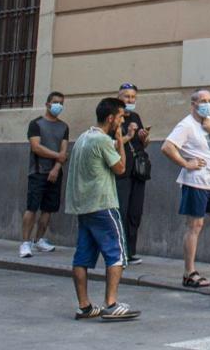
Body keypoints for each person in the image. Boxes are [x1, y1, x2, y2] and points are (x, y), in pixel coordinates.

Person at [67, 97, 140, 321]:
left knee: (82, 256)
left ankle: (84, 306)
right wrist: (120, 140)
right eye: (120, 117)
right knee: (116, 252)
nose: (121, 121)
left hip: (84, 206)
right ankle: (111, 303)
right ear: (111, 118)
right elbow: (120, 168)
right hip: (103, 203)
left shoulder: (82, 137)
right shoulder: (102, 141)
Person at [161, 89, 210, 289]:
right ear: (193, 104)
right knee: (195, 225)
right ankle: (189, 272)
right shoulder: (186, 125)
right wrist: (186, 163)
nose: (207, 104)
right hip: (195, 182)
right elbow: (167, 147)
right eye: (203, 101)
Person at [21, 91, 70, 258]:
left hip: (55, 172)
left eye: (61, 103)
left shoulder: (64, 126)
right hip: (37, 171)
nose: (58, 106)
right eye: (56, 102)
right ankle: (25, 243)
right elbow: (36, 147)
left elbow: (64, 149)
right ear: (48, 104)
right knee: (32, 207)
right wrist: (58, 157)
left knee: (48, 209)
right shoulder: (36, 124)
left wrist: (56, 167)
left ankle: (39, 239)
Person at [115, 83, 149, 265]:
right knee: (121, 209)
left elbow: (141, 144)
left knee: (135, 211)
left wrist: (144, 138)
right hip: (121, 170)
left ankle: (131, 250)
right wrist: (128, 135)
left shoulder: (135, 116)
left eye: (133, 97)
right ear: (118, 97)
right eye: (127, 96)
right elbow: (112, 143)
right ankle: (119, 250)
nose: (130, 100)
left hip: (138, 169)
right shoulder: (114, 118)